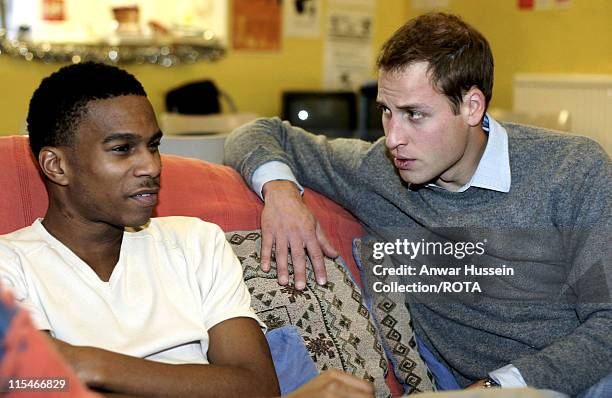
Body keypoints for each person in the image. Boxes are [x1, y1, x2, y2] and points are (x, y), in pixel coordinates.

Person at [224, 12, 611, 398]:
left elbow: (607, 324)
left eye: (414, 114)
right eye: (387, 111)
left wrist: (497, 387)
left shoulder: (572, 171)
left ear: (472, 107)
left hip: (582, 380)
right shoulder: (379, 171)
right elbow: (257, 132)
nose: (393, 138)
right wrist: (280, 192)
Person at [0, 62, 374, 398]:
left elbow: (257, 387)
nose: (150, 166)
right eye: (122, 149)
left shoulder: (195, 241)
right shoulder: (10, 264)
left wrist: (89, 365)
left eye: (153, 146)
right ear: (56, 165)